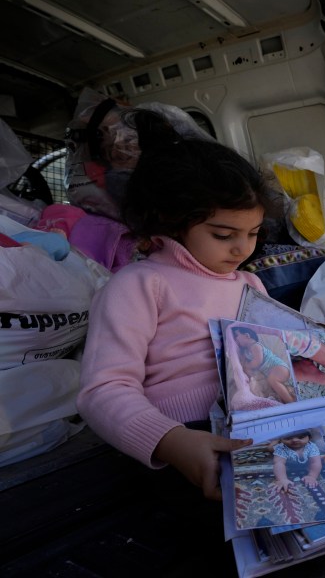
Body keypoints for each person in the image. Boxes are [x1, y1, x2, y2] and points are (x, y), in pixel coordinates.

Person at [77, 108, 271, 500]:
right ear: (170, 219)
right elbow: (103, 389)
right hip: (185, 440)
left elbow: (280, 358)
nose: (242, 248)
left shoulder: (250, 283)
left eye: (253, 233)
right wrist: (170, 441)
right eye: (223, 234)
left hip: (258, 427)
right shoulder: (139, 284)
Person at [230, 325, 296, 404]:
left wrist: (247, 366)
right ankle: (286, 395)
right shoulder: (247, 351)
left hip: (279, 367)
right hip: (275, 371)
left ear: (247, 335)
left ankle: (289, 400)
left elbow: (258, 361)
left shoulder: (255, 346)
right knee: (273, 383)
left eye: (236, 336)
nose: (235, 339)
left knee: (272, 380)